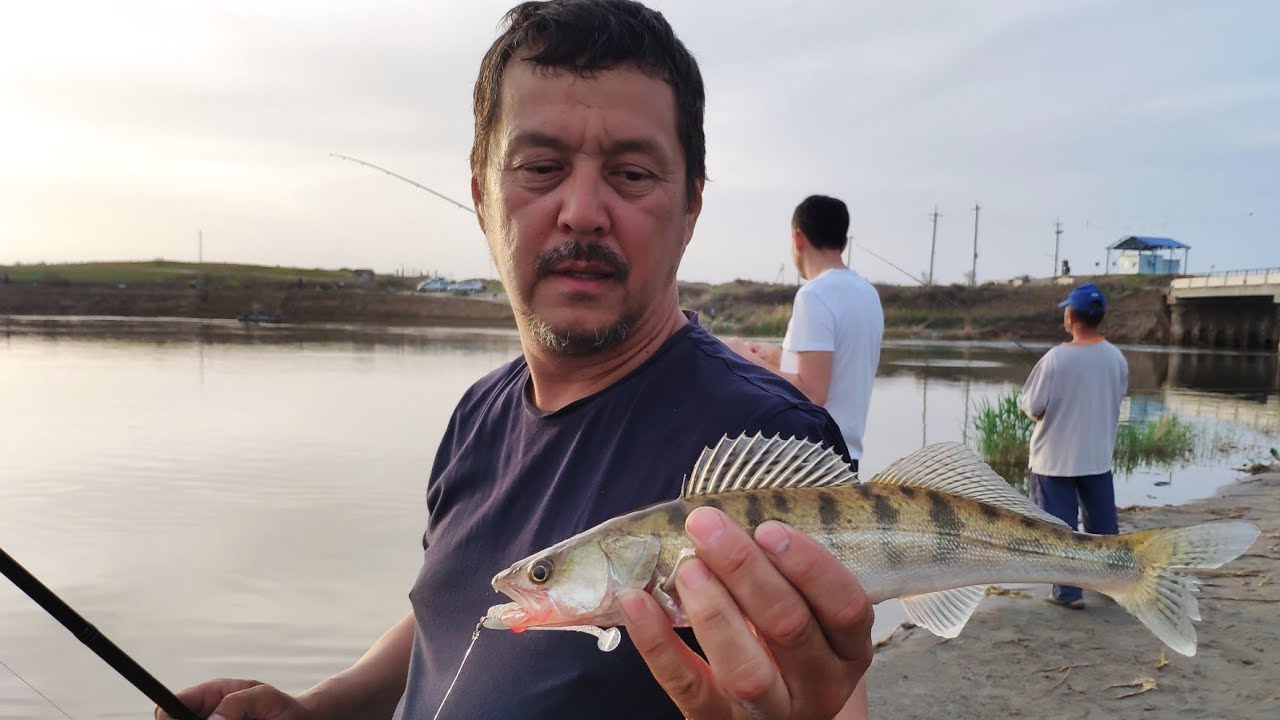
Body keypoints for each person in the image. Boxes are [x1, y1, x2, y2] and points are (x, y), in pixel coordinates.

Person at [159, 2, 873, 719]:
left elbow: (829, 690)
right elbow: (449, 610)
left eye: (630, 173)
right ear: (481, 194)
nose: (583, 211)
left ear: (690, 205)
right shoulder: (479, 413)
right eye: (541, 167)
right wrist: (317, 708)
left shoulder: (769, 437)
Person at [724, 195, 884, 472]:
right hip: (846, 458)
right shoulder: (867, 294)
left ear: (798, 238)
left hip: (811, 459)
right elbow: (838, 369)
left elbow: (811, 393)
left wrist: (744, 359)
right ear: (843, 242)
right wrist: (776, 358)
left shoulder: (814, 295)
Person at [1018, 281, 1129, 609]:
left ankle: (1068, 593)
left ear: (1071, 316)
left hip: (1054, 459)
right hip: (1097, 457)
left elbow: (1032, 406)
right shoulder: (1117, 358)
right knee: (1103, 526)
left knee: (1058, 529)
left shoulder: (1055, 359)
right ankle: (1111, 584)